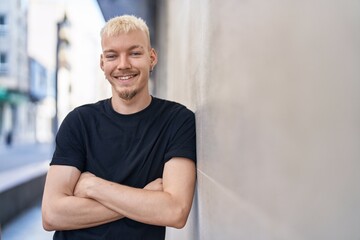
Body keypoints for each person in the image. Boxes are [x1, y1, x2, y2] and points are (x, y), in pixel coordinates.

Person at [41, 15, 197, 240]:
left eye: (135, 53)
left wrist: (94, 187)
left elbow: (175, 211)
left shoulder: (177, 121)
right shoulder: (79, 122)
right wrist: (144, 199)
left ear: (151, 58)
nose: (123, 65)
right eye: (112, 55)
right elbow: (52, 214)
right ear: (102, 63)